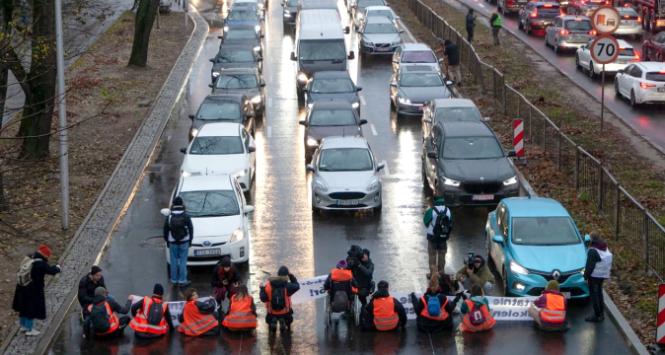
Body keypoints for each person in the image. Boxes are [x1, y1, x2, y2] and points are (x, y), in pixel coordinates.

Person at [12, 244, 61, 336]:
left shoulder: (30, 257)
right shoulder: (40, 263)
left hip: (22, 286)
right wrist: (57, 268)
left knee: (24, 307)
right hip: (33, 289)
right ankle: (30, 330)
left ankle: (23, 326)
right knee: (31, 308)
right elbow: (51, 271)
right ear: (45, 255)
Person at [163, 196, 194, 286]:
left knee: (173, 261)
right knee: (183, 261)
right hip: (184, 241)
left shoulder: (169, 216)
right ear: (182, 204)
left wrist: (167, 240)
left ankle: (174, 280)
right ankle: (182, 280)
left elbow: (165, 229)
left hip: (172, 242)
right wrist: (190, 239)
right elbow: (191, 228)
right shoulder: (186, 216)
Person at [259, 266, 300, 332]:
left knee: (270, 317)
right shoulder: (288, 286)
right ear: (287, 275)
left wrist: (261, 289)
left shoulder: (268, 285)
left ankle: (273, 322)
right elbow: (297, 286)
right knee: (288, 317)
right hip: (285, 312)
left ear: (278, 274)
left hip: (271, 312)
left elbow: (263, 299)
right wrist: (291, 276)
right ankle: (285, 324)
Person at [584, 232, 613, 323]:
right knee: (599, 293)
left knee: (594, 295)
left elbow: (589, 266)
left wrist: (585, 276)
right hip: (602, 275)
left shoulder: (593, 251)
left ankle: (597, 315)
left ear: (591, 239)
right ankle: (601, 313)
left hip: (594, 276)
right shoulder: (604, 246)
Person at [423, 197, 452, 274]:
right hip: (443, 238)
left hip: (432, 237)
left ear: (435, 202)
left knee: (432, 256)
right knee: (442, 256)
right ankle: (441, 273)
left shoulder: (431, 211)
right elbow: (450, 222)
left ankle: (433, 274)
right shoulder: (448, 210)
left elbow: (425, 222)